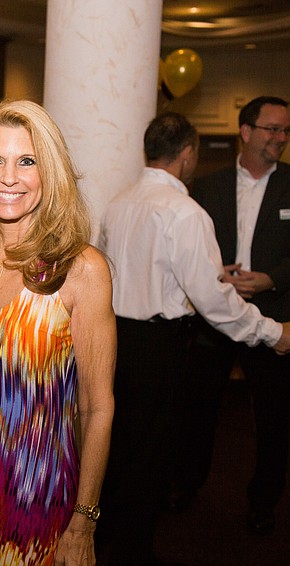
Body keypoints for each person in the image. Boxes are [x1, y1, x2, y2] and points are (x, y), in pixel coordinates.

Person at [98, 111, 290, 564]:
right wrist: (271, 333)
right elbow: (216, 304)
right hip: (161, 346)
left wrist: (206, 275)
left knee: (119, 445)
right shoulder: (186, 212)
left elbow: (120, 270)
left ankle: (105, 538)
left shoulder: (119, 202)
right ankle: (133, 552)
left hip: (116, 340)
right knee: (151, 454)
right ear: (188, 155)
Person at [0, 99, 116, 566]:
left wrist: (85, 518)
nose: (8, 177)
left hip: (41, 500)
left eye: (26, 161)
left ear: (49, 173)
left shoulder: (81, 269)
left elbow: (97, 407)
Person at [175, 96, 290, 535]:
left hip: (274, 318)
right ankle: (185, 485)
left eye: (285, 131)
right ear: (245, 131)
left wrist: (270, 280)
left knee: (274, 419)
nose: (279, 138)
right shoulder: (208, 187)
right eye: (271, 129)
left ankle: (264, 502)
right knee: (198, 410)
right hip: (215, 320)